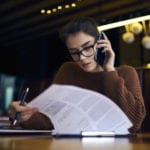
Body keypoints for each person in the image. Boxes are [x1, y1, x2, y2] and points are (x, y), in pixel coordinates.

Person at [9, 17, 146, 133]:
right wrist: (25, 117)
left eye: (87, 47)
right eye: (74, 52)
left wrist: (109, 70)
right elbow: (51, 120)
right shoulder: (68, 70)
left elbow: (134, 124)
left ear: (100, 43)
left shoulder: (125, 73)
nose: (82, 58)